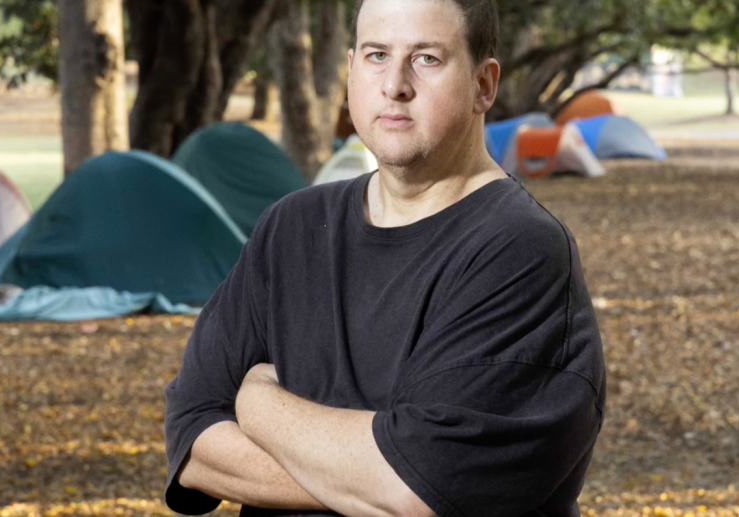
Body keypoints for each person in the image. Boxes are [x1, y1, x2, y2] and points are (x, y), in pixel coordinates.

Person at [163, 0, 606, 515]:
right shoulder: (291, 228)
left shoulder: (519, 250)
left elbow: (418, 488)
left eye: (427, 59)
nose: (395, 83)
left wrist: (258, 404)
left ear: (483, 86)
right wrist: (363, 474)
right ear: (350, 68)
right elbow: (191, 436)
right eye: (376, 55)